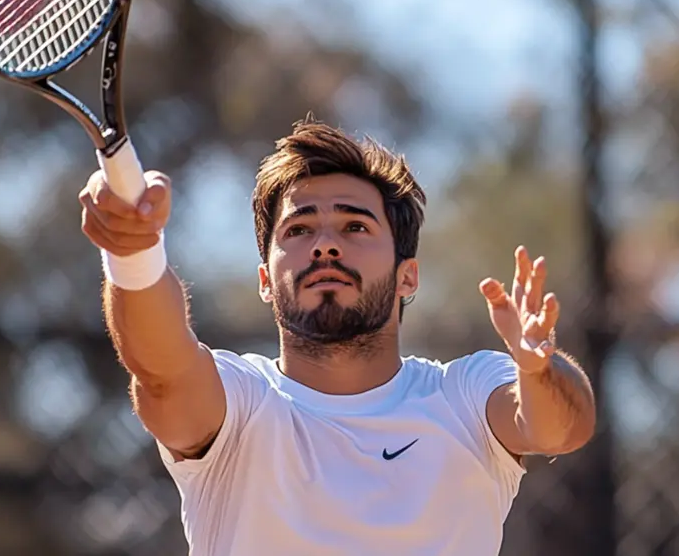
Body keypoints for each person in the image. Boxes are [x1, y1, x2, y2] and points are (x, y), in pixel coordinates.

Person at [79, 117, 596, 555]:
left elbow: (560, 429)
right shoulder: (238, 403)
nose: (325, 245)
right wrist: (135, 253)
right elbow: (164, 373)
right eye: (299, 230)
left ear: (407, 275)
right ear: (265, 280)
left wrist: (539, 369)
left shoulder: (464, 395)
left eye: (355, 227)